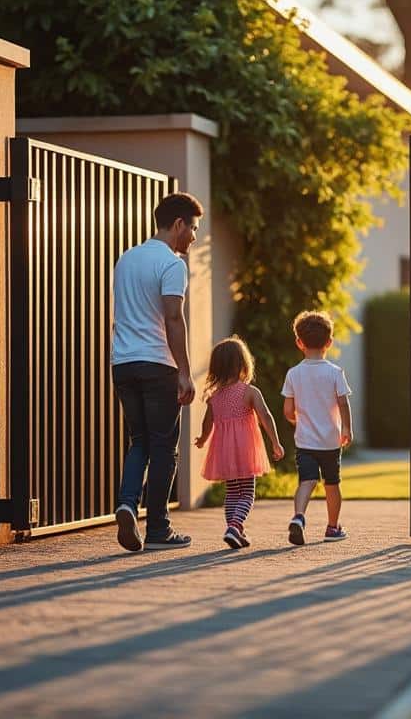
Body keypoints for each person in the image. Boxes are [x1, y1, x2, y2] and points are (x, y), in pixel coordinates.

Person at [112, 192, 202, 552]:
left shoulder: (127, 258)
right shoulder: (172, 264)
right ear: (178, 224)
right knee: (165, 447)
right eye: (193, 229)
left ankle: (126, 504)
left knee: (140, 442)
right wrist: (184, 371)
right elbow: (173, 318)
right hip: (157, 364)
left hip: (123, 363)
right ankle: (159, 528)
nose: (194, 237)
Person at [194, 336, 285, 549]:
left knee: (233, 492)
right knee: (248, 493)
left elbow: (208, 423)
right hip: (245, 450)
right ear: (243, 364)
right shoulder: (249, 392)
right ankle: (235, 526)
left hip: (224, 451)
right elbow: (266, 417)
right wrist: (276, 442)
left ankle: (235, 530)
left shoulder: (214, 397)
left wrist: (202, 439)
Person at [282, 311, 353, 545]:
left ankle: (299, 516)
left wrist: (296, 420)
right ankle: (332, 528)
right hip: (331, 442)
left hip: (305, 441)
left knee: (307, 481)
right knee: (332, 484)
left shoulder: (293, 374)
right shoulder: (335, 372)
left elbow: (287, 411)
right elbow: (343, 402)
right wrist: (347, 429)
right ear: (329, 342)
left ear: (299, 342)